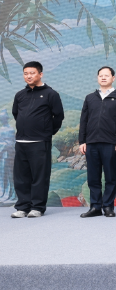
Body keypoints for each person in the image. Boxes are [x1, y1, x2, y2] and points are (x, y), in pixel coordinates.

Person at [10, 61, 64, 218]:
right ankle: (22, 207)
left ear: (40, 74)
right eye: (25, 73)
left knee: (40, 177)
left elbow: (58, 116)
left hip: (40, 142)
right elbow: (16, 114)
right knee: (21, 177)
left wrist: (47, 132)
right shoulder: (20, 95)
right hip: (21, 142)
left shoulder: (51, 94)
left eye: (32, 73)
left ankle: (37, 207)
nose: (28, 76)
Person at [78, 66, 116, 218]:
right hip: (91, 143)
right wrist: (82, 141)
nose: (103, 78)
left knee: (110, 176)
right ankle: (95, 207)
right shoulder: (90, 98)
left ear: (113, 78)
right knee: (93, 177)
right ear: (97, 78)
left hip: (110, 143)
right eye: (101, 75)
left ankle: (108, 207)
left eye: (107, 75)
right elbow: (84, 120)